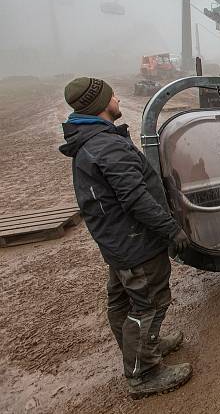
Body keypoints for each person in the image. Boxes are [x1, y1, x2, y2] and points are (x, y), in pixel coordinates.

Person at [59, 77, 193, 399]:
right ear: (101, 105)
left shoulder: (92, 140)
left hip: (120, 244)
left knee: (122, 302)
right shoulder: (107, 145)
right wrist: (171, 229)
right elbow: (136, 199)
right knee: (148, 305)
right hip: (137, 244)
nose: (117, 98)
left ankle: (142, 349)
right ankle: (144, 373)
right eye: (112, 95)